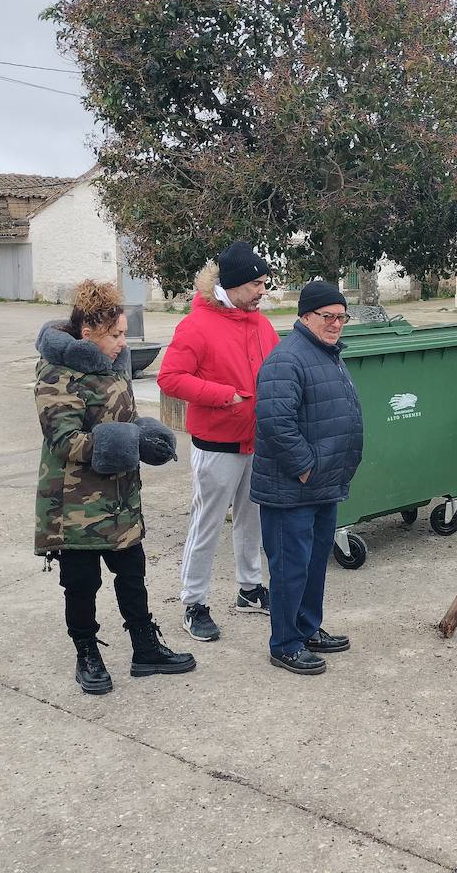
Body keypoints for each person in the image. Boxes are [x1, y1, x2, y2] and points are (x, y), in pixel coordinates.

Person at [34, 279, 195, 695]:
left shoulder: (112, 364)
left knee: (133, 573)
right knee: (82, 582)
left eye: (125, 334)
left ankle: (145, 648)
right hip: (75, 504)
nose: (124, 344)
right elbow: (66, 441)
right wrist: (128, 441)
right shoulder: (58, 374)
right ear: (88, 334)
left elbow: (121, 421)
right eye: (116, 335)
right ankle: (86, 653)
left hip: (120, 498)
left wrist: (146, 434)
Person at [158, 241, 281, 642]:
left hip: (257, 441)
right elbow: (170, 378)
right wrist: (222, 394)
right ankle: (194, 602)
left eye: (265, 283)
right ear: (233, 284)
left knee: (253, 519)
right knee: (206, 522)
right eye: (257, 284)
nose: (263, 291)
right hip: (217, 444)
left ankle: (249, 589)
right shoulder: (196, 325)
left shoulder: (260, 323)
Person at [250, 281, 364, 675]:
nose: (336, 324)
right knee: (290, 568)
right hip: (292, 488)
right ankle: (284, 643)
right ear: (305, 316)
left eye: (341, 317)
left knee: (315, 564)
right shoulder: (288, 359)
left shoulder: (326, 354)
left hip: (322, 485)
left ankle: (307, 629)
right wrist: (306, 466)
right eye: (327, 316)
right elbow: (274, 421)